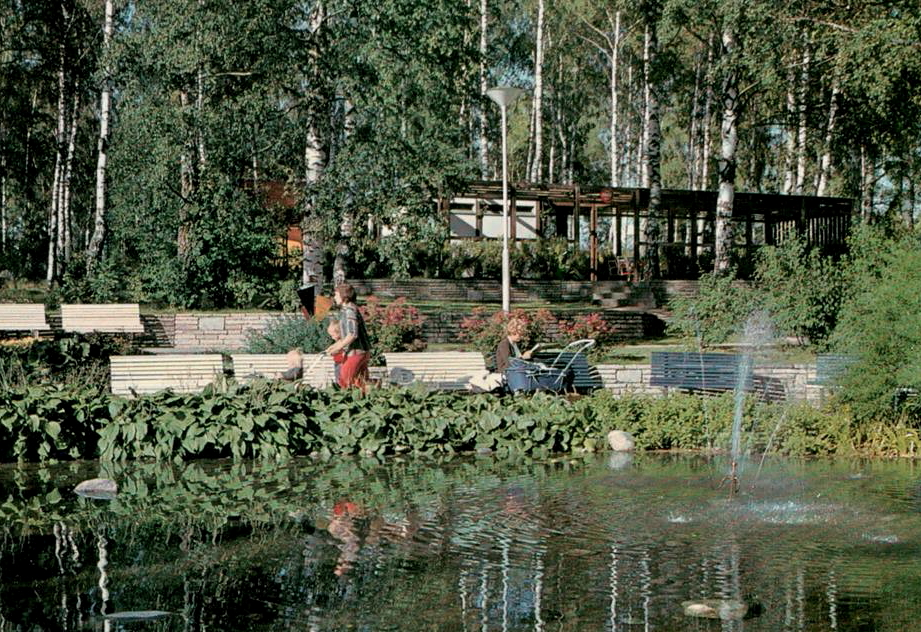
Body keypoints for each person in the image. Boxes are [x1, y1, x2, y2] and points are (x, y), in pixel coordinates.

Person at [325, 283, 371, 390]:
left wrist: (338, 347)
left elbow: (352, 334)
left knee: (344, 382)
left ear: (344, 296)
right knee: (360, 384)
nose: (334, 297)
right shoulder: (348, 310)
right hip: (361, 352)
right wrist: (334, 346)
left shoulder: (350, 311)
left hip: (356, 353)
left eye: (336, 295)